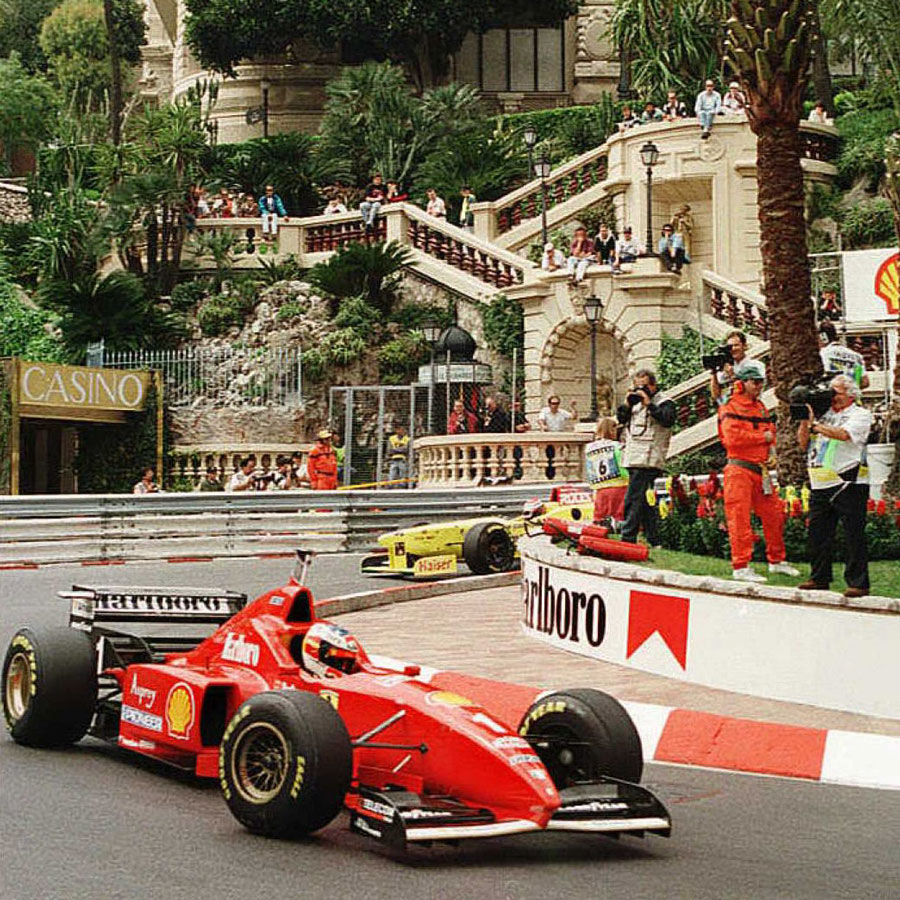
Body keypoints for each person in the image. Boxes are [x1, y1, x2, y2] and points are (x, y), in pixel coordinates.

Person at [718, 360, 799, 583]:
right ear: (742, 383)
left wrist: (771, 452)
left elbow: (769, 431)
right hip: (739, 470)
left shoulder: (759, 406)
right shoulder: (730, 406)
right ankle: (741, 566)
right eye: (755, 382)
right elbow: (732, 439)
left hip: (760, 470)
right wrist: (761, 439)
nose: (759, 386)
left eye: (761, 382)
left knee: (774, 514)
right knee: (739, 519)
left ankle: (777, 561)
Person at [797, 374, 872, 598]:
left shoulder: (860, 414)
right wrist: (804, 421)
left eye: (836, 392)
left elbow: (844, 434)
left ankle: (858, 582)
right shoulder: (824, 415)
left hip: (847, 480)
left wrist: (816, 426)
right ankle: (819, 577)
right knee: (818, 533)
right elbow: (802, 444)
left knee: (852, 534)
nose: (831, 396)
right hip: (820, 480)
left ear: (851, 394)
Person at [617, 369, 676, 547]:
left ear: (653, 385)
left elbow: (667, 420)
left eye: (643, 386)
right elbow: (621, 419)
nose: (640, 390)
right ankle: (654, 539)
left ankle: (627, 538)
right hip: (633, 456)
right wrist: (627, 404)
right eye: (637, 386)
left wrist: (649, 404)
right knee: (642, 500)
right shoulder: (634, 403)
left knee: (634, 498)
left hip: (650, 457)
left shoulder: (665, 402)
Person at [586, 417, 628, 523]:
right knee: (620, 517)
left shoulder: (590, 448)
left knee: (600, 518)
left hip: (600, 488)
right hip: (619, 485)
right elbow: (622, 466)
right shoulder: (617, 446)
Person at [711, 331, 759, 405]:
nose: (733, 349)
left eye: (736, 345)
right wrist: (713, 372)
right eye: (730, 346)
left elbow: (751, 392)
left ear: (745, 346)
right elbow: (715, 396)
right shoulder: (726, 366)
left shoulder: (752, 365)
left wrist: (732, 375)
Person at [819, 320, 869, 389]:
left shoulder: (822, 354)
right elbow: (865, 382)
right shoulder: (857, 356)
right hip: (851, 397)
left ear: (823, 337)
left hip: (831, 396)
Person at [387, 424, 410, 488]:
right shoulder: (392, 438)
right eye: (400, 430)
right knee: (392, 473)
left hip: (403, 459)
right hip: (393, 459)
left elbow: (406, 450)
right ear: (397, 430)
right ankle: (390, 485)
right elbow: (389, 450)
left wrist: (395, 450)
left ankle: (402, 486)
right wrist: (400, 450)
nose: (402, 431)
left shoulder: (407, 439)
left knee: (403, 473)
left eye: (403, 430)